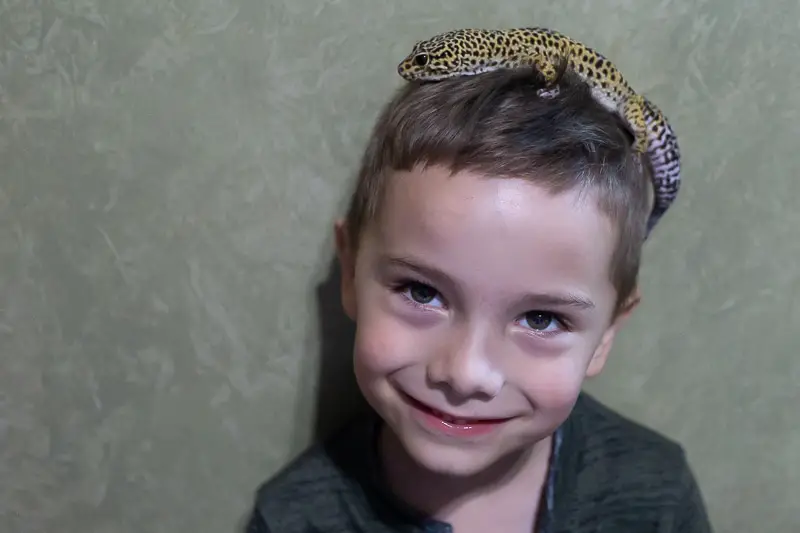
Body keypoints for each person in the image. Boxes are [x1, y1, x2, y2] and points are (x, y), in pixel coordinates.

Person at [245, 67, 713, 533]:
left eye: (542, 319)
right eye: (421, 292)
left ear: (608, 332)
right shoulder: (293, 520)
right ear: (350, 272)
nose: (467, 374)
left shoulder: (656, 497)